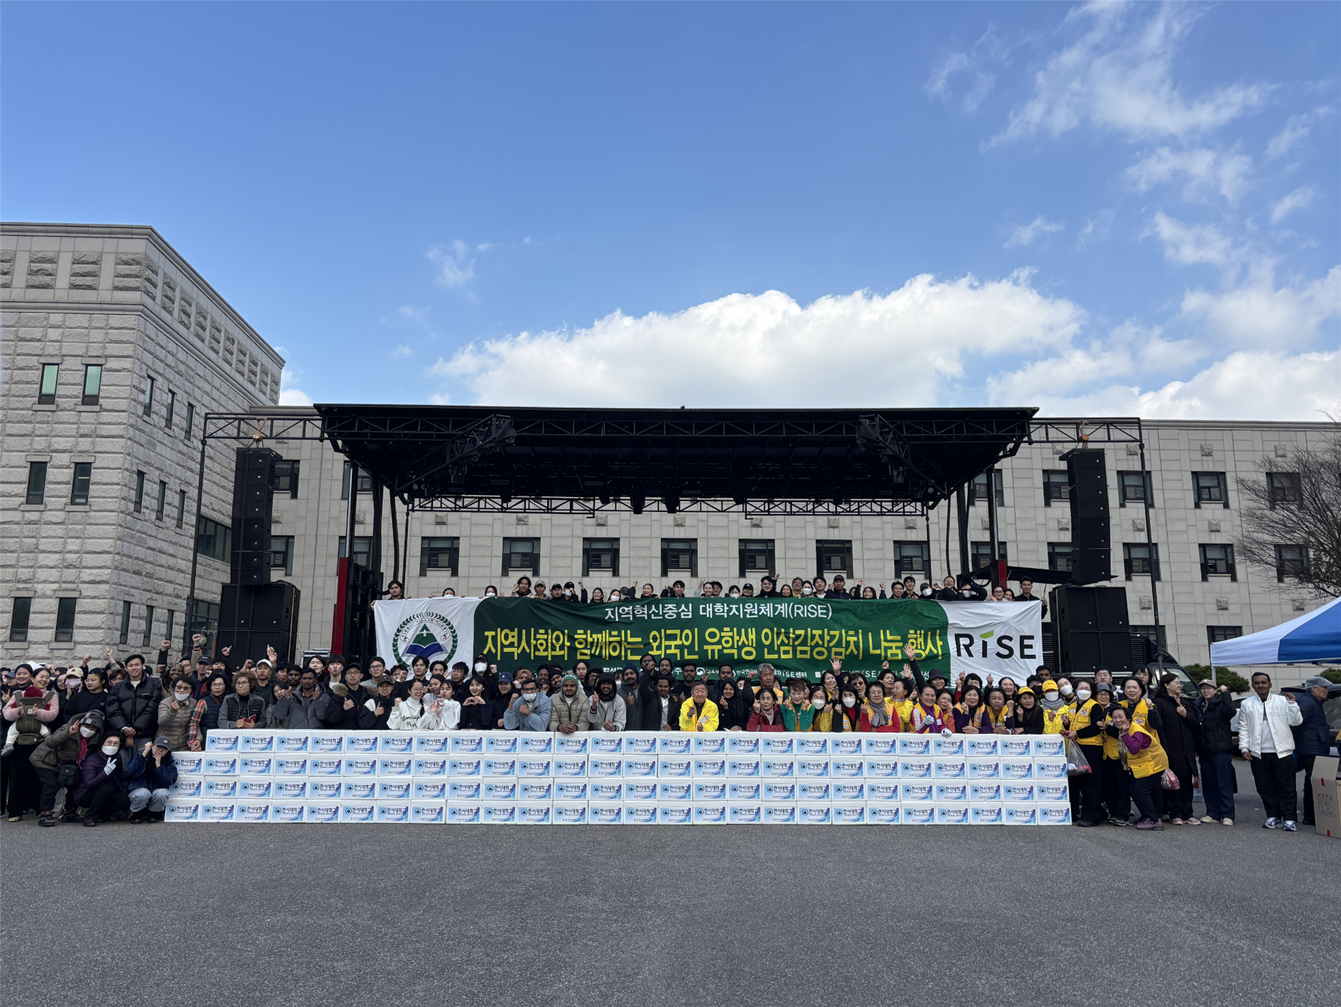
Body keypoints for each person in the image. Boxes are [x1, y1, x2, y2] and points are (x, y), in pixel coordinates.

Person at [1238, 672, 1304, 831]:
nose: (1260, 685)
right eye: (1257, 683)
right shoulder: (1247, 704)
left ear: (1270, 684)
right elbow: (1243, 727)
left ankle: (1289, 819)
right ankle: (1273, 816)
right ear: (1253, 685)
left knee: (1286, 786)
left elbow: (1296, 722)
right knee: (1265, 786)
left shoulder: (1282, 701)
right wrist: (1244, 747)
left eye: (1263, 682)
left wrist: (1293, 705)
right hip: (1258, 753)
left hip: (1282, 751)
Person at [1109, 704, 1168, 831]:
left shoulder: (1135, 730)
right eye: (1114, 718)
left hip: (1155, 764)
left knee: (1140, 789)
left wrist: (1125, 735)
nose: (1118, 720)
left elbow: (1134, 749)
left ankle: (1154, 819)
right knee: (1133, 789)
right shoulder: (1124, 730)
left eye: (1120, 717)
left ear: (1128, 718)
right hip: (1143, 765)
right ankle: (1148, 816)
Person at [1064, 679, 1109, 828]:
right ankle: (1084, 813)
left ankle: (1092, 817)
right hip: (1076, 747)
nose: (1084, 690)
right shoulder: (1071, 706)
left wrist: (1077, 733)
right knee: (1079, 782)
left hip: (1092, 748)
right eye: (1081, 687)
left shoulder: (1094, 706)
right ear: (1075, 690)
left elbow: (1096, 728)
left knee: (1092, 784)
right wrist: (1065, 726)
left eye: (1087, 688)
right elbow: (1072, 724)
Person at [1193, 679, 1237, 825]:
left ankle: (1227, 814)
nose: (1206, 691)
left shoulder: (1221, 703)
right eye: (1203, 688)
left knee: (1223, 783)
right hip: (1205, 750)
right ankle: (1212, 812)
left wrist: (1226, 694)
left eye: (1209, 688)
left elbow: (1230, 711)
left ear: (1215, 690)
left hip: (1220, 749)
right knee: (1209, 782)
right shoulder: (1199, 705)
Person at [1294, 677, 1333, 827]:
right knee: (1312, 782)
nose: (1327, 691)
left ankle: (1312, 815)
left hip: (1315, 746)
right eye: (1324, 687)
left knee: (1313, 781)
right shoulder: (1307, 703)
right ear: (1314, 688)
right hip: (1310, 748)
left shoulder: (1315, 702)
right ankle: (1310, 816)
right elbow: (1296, 724)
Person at [72, 732, 134, 826]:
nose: (112, 745)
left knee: (124, 800)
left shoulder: (117, 757)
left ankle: (100, 814)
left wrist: (133, 773)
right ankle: (89, 816)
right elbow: (89, 784)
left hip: (105, 793)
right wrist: (105, 773)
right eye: (109, 742)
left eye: (116, 743)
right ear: (102, 743)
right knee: (107, 787)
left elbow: (118, 776)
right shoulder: (92, 759)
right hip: (84, 794)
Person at [105, 653, 163, 744]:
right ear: (126, 668)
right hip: (123, 734)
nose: (134, 668)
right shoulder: (118, 687)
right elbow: (113, 709)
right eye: (131, 665)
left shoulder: (154, 684)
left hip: (145, 733)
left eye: (137, 665)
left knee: (142, 757)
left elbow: (152, 708)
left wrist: (136, 727)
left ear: (143, 666)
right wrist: (123, 727)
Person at [127, 737, 178, 823]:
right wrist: (144, 754)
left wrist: (158, 765)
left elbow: (168, 781)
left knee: (163, 793)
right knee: (143, 793)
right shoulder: (141, 755)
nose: (160, 750)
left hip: (156, 788)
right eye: (158, 747)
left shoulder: (169, 760)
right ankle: (136, 813)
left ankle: (154, 814)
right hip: (139, 787)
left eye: (164, 749)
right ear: (152, 746)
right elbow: (131, 772)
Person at [156, 677, 197, 751]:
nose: (181, 690)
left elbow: (196, 724)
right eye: (179, 687)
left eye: (186, 688)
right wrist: (172, 711)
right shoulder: (165, 702)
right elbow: (162, 722)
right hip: (165, 746)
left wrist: (198, 739)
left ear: (191, 690)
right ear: (174, 688)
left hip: (184, 747)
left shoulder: (194, 703)